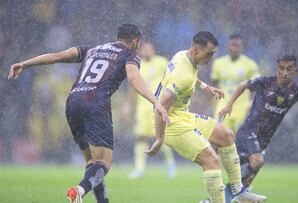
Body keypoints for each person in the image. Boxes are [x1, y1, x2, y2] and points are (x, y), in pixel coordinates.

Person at [8, 24, 169, 203]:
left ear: (118, 37)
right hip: (95, 103)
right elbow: (133, 78)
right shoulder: (129, 55)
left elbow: (58, 56)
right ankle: (79, 191)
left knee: (92, 161)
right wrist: (156, 101)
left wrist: (25, 63)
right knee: (104, 163)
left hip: (73, 102)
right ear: (136, 41)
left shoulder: (92, 49)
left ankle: (102, 200)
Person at [215, 55, 298, 202]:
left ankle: (229, 195)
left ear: (295, 71)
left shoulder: (297, 91)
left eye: (289, 69)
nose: (285, 72)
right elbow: (243, 85)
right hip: (249, 132)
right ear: (277, 69)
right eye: (282, 68)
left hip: (264, 139)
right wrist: (229, 105)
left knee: (251, 173)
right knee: (257, 161)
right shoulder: (265, 82)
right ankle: (225, 194)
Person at [145, 31, 246, 203]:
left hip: (182, 114)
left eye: (214, 53)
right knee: (212, 160)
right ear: (197, 50)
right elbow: (159, 107)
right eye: (210, 53)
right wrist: (159, 138)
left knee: (226, 135)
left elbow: (192, 78)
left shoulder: (183, 55)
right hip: (169, 122)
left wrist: (207, 87)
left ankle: (238, 191)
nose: (212, 57)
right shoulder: (182, 76)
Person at [123, 41, 176, 179]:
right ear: (141, 50)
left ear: (154, 50)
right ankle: (139, 169)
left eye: (150, 48)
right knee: (141, 137)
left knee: (161, 136)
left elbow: (173, 78)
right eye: (145, 48)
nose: (148, 51)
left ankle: (170, 164)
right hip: (143, 108)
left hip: (159, 105)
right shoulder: (137, 65)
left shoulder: (161, 62)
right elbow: (133, 87)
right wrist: (128, 106)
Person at [211, 34, 260, 132]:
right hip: (222, 108)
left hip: (242, 110)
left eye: (236, 45)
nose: (233, 48)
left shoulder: (250, 64)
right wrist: (210, 104)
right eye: (231, 45)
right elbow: (213, 86)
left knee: (240, 141)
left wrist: (252, 104)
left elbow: (258, 87)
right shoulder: (218, 63)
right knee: (218, 138)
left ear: (242, 47)